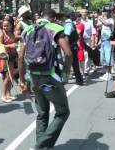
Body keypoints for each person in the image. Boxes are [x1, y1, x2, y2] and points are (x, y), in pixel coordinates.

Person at [19, 9, 72, 149]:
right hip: (50, 78)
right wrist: (66, 72)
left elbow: (20, 56)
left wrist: (22, 80)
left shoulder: (29, 29)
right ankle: (39, 146)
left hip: (34, 77)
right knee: (63, 112)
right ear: (53, 18)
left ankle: (42, 147)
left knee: (42, 113)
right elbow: (68, 53)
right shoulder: (55, 28)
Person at [0, 18, 18, 103]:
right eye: (4, 26)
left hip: (12, 57)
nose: (5, 27)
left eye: (7, 26)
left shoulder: (12, 33)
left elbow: (16, 44)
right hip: (4, 57)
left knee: (11, 76)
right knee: (7, 77)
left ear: (11, 25)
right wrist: (10, 46)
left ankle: (9, 93)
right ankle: (3, 95)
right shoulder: (1, 34)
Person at [64, 12, 84, 85]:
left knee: (70, 62)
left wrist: (66, 47)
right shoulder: (70, 23)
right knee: (74, 63)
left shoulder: (69, 24)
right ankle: (79, 79)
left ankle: (66, 78)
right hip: (72, 45)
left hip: (71, 46)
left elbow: (67, 35)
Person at [98, 10, 115, 81]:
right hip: (103, 41)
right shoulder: (103, 20)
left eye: (106, 11)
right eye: (103, 11)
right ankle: (107, 73)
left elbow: (107, 24)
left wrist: (101, 19)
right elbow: (96, 25)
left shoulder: (111, 20)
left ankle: (110, 74)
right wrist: (94, 18)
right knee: (103, 58)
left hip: (108, 40)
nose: (104, 13)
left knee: (108, 58)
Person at [80, 9, 97, 75]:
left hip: (87, 40)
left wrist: (93, 43)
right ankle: (81, 69)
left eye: (85, 12)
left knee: (86, 54)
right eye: (83, 12)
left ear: (87, 14)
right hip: (80, 40)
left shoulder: (90, 22)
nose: (84, 13)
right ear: (80, 13)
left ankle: (86, 70)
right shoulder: (78, 21)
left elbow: (93, 32)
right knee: (81, 55)